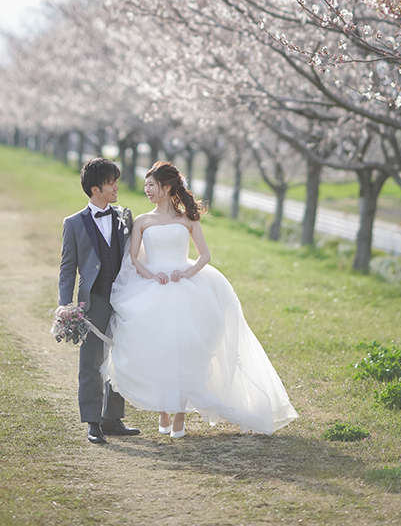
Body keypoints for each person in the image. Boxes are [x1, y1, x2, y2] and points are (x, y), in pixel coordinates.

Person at [102, 161, 298, 437]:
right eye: (146, 185)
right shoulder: (143, 221)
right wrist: (150, 275)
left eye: (151, 185)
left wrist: (187, 271)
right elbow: (133, 257)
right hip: (153, 287)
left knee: (186, 348)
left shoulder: (187, 220)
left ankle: (180, 412)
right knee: (159, 346)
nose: (146, 190)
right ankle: (163, 410)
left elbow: (205, 255)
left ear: (166, 187)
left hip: (185, 287)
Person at [58, 157, 140, 444]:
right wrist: (65, 304)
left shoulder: (125, 216)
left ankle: (112, 418)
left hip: (125, 297)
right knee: (92, 362)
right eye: (111, 182)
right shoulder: (73, 223)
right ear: (95, 189)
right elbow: (68, 268)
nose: (117, 186)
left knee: (120, 357)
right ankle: (93, 421)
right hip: (94, 300)